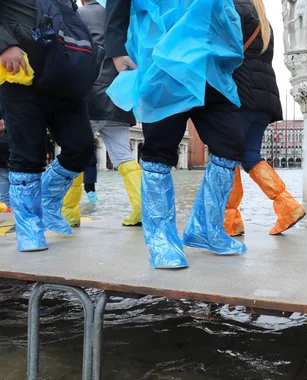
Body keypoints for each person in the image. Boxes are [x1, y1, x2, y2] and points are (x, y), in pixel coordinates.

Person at [105, 0, 247, 269]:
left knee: (231, 144)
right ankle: (160, 238)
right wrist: (116, 48)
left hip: (209, 61)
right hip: (163, 58)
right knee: (160, 148)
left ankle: (206, 228)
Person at [0, 0, 95, 252]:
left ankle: (49, 200)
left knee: (82, 147)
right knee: (27, 154)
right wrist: (5, 44)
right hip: (22, 77)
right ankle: (29, 226)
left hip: (66, 77)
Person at [223, 0, 305, 237]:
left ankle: (231, 220)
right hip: (264, 98)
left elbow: (225, 51)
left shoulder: (235, 9)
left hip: (242, 94)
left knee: (226, 156)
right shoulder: (262, 18)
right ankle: (288, 205)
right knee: (250, 157)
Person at [62, 0, 141, 228]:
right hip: (120, 96)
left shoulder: (79, 15)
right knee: (125, 157)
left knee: (74, 154)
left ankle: (69, 212)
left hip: (90, 97)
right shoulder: (123, 15)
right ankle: (142, 209)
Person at [0, 103, 9, 213]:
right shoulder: (7, 136)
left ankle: (7, 211)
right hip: (10, 167)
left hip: (2, 168)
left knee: (4, 195)